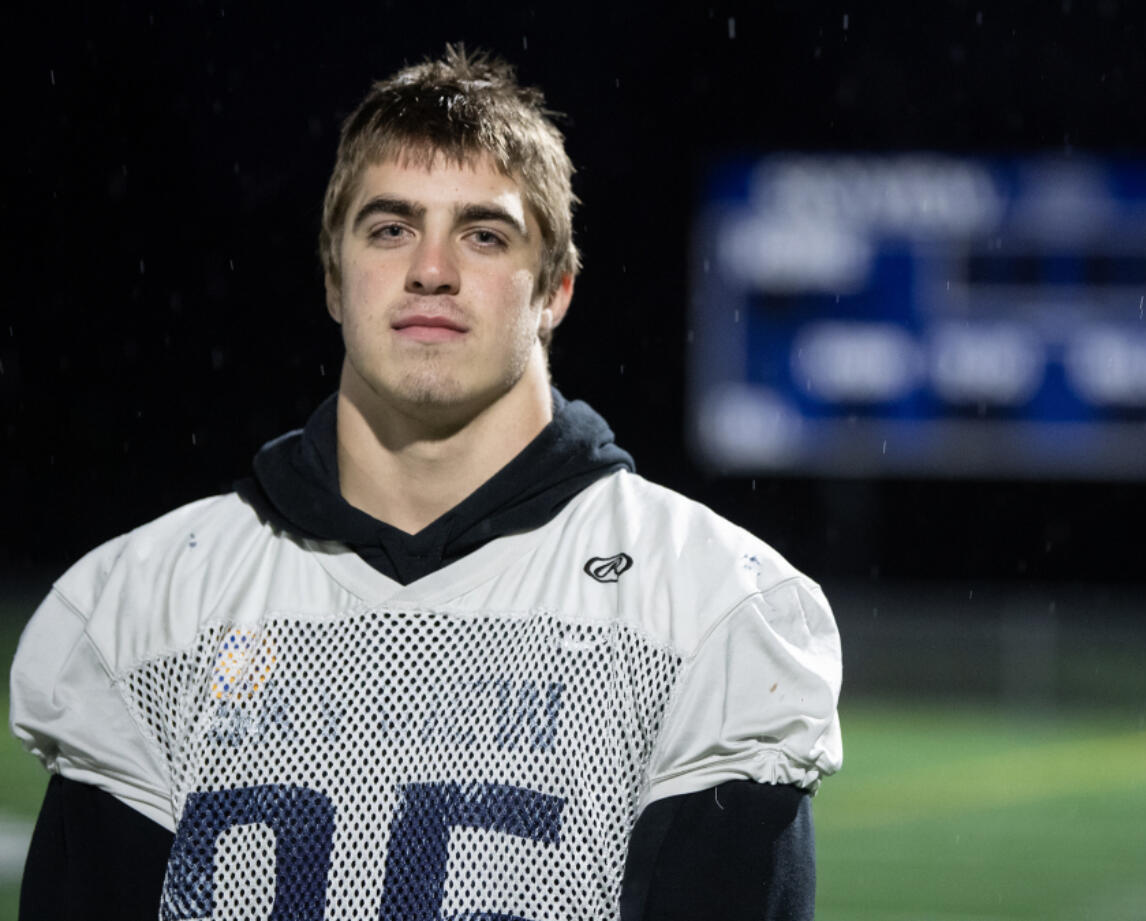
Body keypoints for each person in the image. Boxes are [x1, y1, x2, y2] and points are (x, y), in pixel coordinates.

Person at [9, 45, 843, 920]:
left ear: (555, 289)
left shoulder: (709, 606)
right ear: (334, 277)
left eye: (484, 234)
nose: (431, 270)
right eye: (391, 227)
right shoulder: (148, 605)